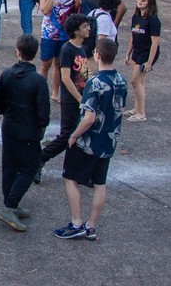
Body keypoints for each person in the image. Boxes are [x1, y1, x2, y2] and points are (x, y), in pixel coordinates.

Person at [54, 38, 127, 241]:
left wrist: (74, 136)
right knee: (100, 183)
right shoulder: (120, 80)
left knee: (70, 177)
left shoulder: (95, 82)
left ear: (98, 56)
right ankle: (91, 226)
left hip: (88, 141)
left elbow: (89, 117)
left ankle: (76, 222)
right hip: (109, 141)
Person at [0, 34, 50, 231]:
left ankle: (10, 202)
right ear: (35, 54)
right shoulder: (38, 80)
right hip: (28, 130)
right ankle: (10, 206)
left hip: (9, 126)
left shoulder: (7, 74)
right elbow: (43, 112)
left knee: (9, 166)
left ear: (18, 51)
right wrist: (41, 127)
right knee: (29, 168)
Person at [39, 14, 91, 179]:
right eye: (84, 26)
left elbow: (83, 74)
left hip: (80, 98)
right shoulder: (67, 49)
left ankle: (74, 169)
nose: (88, 28)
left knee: (79, 134)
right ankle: (41, 158)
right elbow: (66, 77)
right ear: (75, 31)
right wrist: (79, 98)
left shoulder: (81, 48)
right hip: (71, 100)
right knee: (67, 135)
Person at [124, 0, 160, 123]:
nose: (140, 1)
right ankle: (137, 108)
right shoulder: (136, 16)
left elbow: (155, 42)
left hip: (146, 54)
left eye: (143, 0)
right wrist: (128, 54)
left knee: (135, 81)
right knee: (140, 82)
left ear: (149, 3)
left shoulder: (153, 20)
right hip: (137, 52)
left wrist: (149, 62)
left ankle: (141, 113)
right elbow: (133, 37)